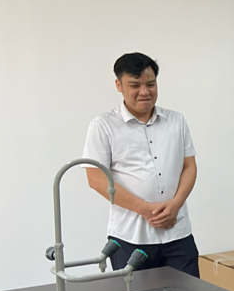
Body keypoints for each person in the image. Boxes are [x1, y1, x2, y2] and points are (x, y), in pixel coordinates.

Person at [83, 52, 199, 276]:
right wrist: (145, 210)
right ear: (119, 85)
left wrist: (175, 204)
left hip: (178, 233)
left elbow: (189, 167)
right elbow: (96, 179)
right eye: (135, 85)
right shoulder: (103, 125)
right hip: (130, 236)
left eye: (151, 84)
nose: (145, 92)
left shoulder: (176, 121)